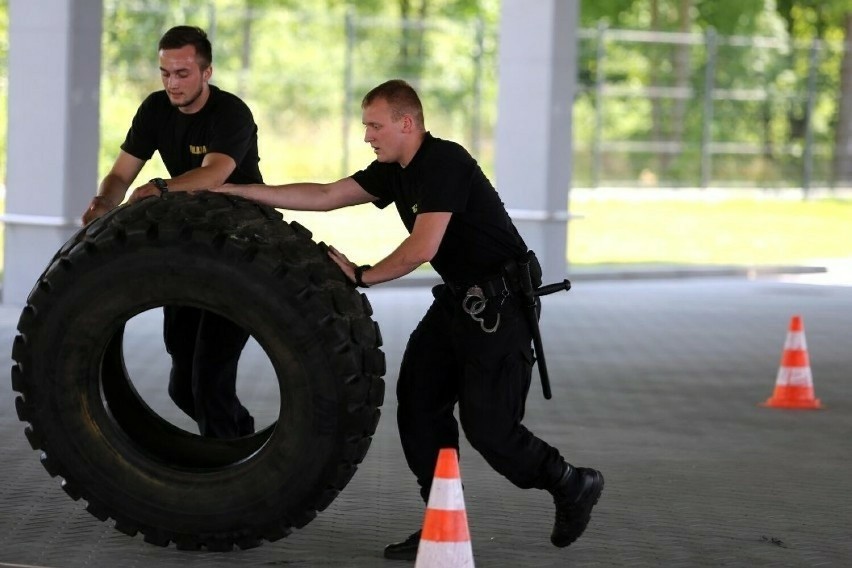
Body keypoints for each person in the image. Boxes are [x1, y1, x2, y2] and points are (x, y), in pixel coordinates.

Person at [214, 79, 604, 559]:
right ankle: (439, 519)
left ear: (407, 122)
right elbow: (327, 193)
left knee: (490, 430)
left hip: (499, 306)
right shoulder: (393, 169)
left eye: (375, 126)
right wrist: (241, 192)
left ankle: (569, 481)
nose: (367, 136)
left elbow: (423, 248)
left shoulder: (444, 163)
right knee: (419, 406)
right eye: (365, 126)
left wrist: (363, 274)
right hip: (458, 302)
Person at [81, 25, 263, 439]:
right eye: (165, 73)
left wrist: (159, 187)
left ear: (206, 72)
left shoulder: (231, 113)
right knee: (184, 387)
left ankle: (229, 485)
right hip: (189, 249)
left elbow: (214, 174)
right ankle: (244, 441)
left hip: (243, 253)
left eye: (182, 74)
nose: (172, 83)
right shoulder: (155, 110)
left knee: (208, 381)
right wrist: (105, 203)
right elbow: (121, 174)